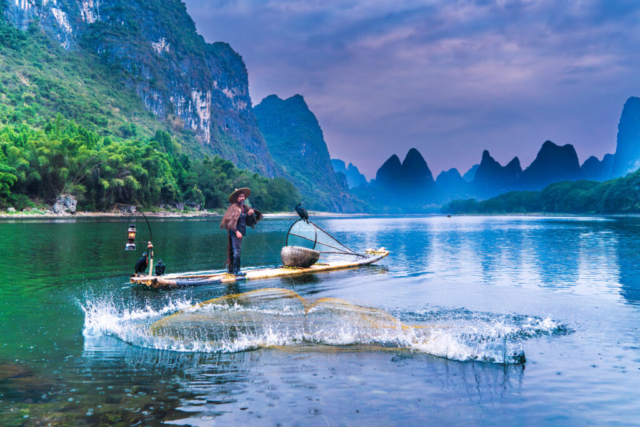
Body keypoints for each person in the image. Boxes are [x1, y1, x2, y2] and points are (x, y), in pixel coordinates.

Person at [220, 188, 263, 276]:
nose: (242, 198)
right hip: (235, 232)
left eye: (243, 196)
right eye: (240, 196)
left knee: (234, 250)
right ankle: (237, 271)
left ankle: (232, 270)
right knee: (237, 251)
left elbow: (245, 220)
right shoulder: (234, 208)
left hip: (239, 232)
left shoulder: (243, 208)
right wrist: (236, 232)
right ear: (236, 198)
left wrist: (250, 214)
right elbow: (231, 222)